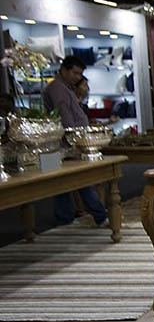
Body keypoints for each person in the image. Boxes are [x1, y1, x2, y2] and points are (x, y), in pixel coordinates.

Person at [43, 55, 108, 227]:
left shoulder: (65, 88)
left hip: (70, 143)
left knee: (74, 182)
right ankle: (95, 216)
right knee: (68, 182)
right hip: (65, 144)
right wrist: (75, 139)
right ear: (64, 70)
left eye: (80, 74)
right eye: (75, 73)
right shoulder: (57, 88)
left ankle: (86, 216)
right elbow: (64, 115)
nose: (78, 77)